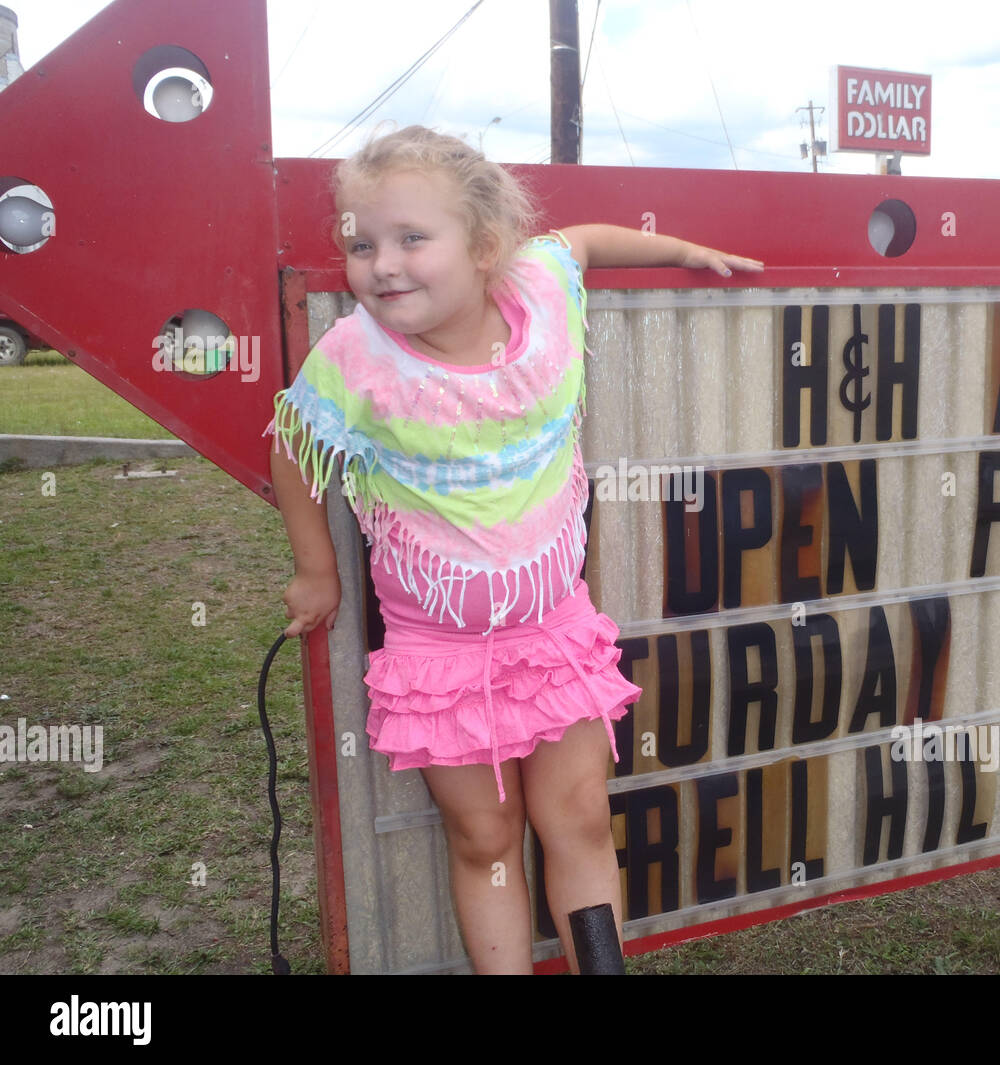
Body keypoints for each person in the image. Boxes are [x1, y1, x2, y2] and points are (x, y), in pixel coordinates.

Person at [265, 124, 763, 974]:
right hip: (438, 652)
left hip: (552, 630)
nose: (381, 264)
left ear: (487, 246)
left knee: (574, 817)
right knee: (483, 832)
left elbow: (588, 240)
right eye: (361, 243)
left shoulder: (538, 288)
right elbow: (292, 448)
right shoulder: (356, 354)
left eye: (412, 238)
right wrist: (317, 569)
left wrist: (681, 247)